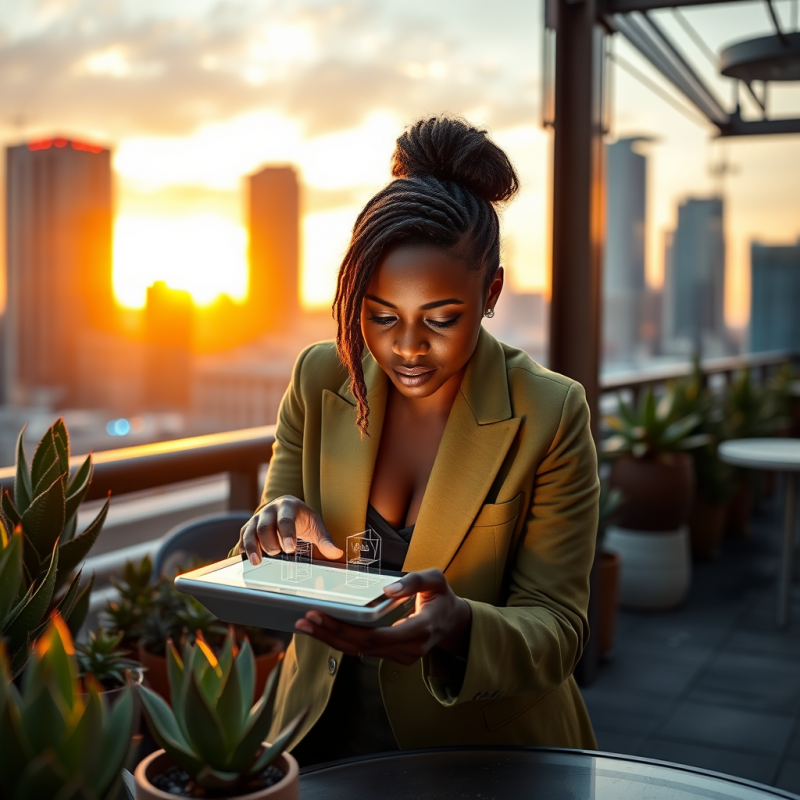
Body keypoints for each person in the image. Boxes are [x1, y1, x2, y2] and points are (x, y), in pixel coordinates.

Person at [232, 116, 599, 764]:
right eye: (380, 316)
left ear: (490, 293)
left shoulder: (550, 412)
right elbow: (281, 555)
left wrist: (462, 629)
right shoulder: (321, 377)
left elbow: (559, 628)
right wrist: (275, 528)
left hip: (479, 749)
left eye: (441, 319)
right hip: (322, 730)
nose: (406, 347)